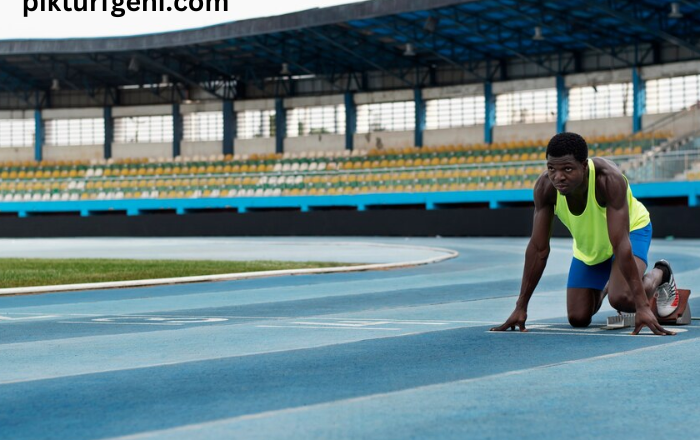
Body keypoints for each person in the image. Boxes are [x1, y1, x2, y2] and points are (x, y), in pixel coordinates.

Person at [491, 132, 679, 336]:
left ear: (584, 165)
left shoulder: (608, 179)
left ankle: (662, 273)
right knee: (578, 318)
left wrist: (642, 306)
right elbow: (538, 249)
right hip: (590, 245)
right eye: (551, 168)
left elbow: (620, 244)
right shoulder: (546, 187)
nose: (558, 177)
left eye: (567, 169)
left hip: (631, 231)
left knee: (624, 299)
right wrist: (521, 306)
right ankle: (610, 283)